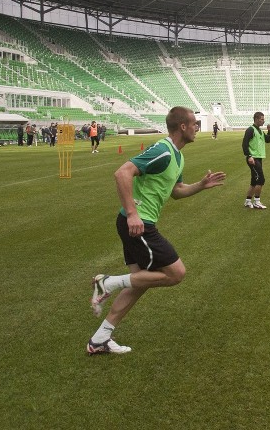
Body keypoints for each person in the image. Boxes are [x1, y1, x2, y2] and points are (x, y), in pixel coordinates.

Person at [86, 107, 226, 355]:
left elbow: (177, 191)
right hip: (139, 224)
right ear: (182, 126)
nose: (197, 127)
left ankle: (100, 338)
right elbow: (122, 173)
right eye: (194, 123)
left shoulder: (177, 156)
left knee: (139, 284)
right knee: (176, 273)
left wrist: (201, 186)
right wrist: (132, 213)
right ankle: (107, 282)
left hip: (137, 223)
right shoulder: (162, 151)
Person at [243, 111, 270, 209]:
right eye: (262, 119)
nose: (263, 121)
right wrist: (249, 156)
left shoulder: (259, 131)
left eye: (263, 119)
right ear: (256, 119)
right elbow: (244, 144)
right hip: (253, 158)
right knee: (261, 179)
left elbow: (267, 140)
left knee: (254, 181)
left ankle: (248, 201)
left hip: (259, 158)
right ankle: (257, 201)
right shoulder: (250, 130)